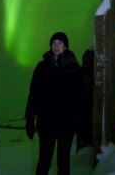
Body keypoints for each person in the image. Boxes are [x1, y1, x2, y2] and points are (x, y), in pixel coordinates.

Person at [25, 32, 85, 175]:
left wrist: (80, 119)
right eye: (53, 43)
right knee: (44, 161)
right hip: (47, 123)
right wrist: (29, 120)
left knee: (63, 162)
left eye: (59, 43)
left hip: (67, 123)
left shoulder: (74, 68)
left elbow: (81, 97)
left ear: (65, 46)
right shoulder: (42, 67)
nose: (56, 46)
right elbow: (34, 95)